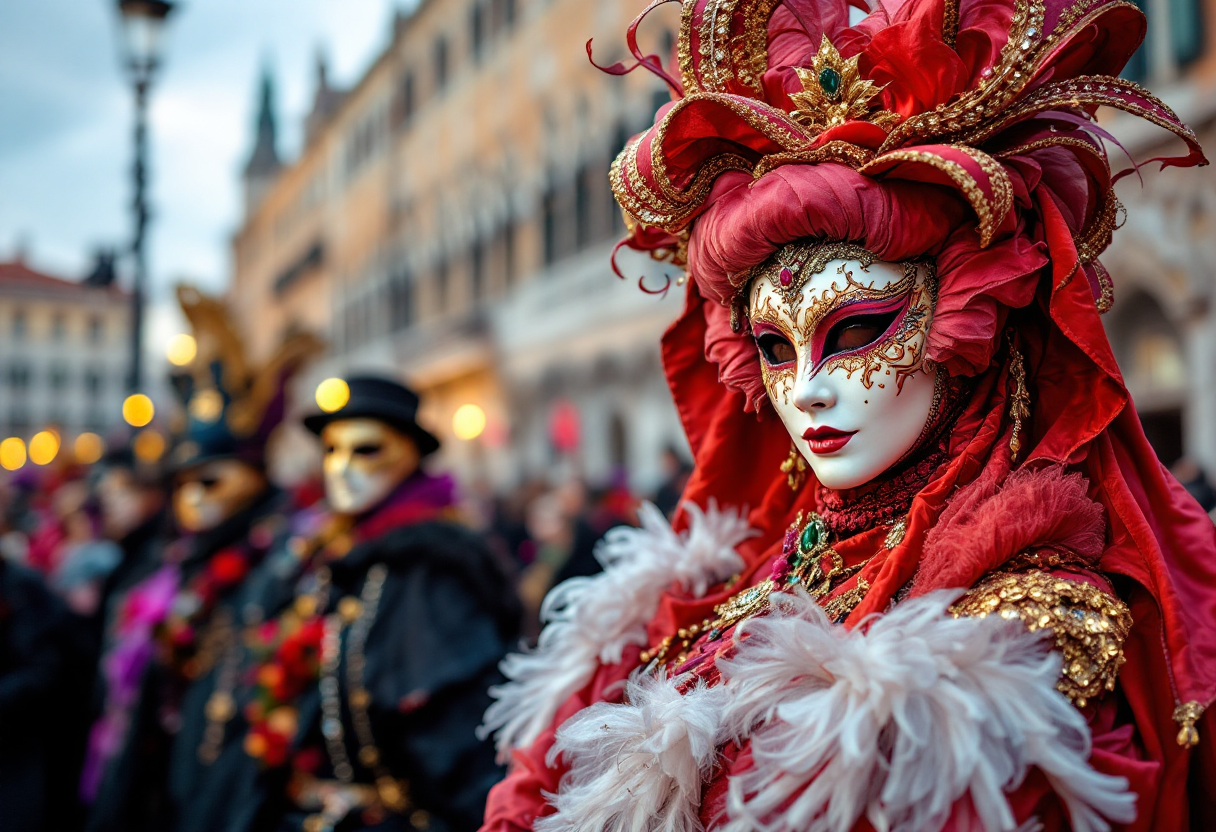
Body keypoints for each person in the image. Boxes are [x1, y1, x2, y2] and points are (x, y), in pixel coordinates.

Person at [478, 0, 1216, 829]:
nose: (808, 391)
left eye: (857, 331)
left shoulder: (1019, 631)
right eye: (775, 348)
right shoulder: (737, 576)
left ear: (965, 323)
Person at [220, 375, 519, 832]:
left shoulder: (433, 568)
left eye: (366, 450)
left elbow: (459, 745)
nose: (341, 467)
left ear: (411, 454)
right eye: (331, 450)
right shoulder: (319, 553)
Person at [84, 285, 319, 832]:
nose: (192, 498)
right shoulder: (177, 562)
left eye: (210, 480)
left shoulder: (292, 560)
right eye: (181, 483)